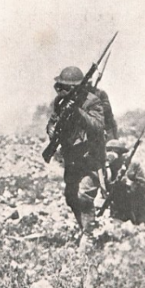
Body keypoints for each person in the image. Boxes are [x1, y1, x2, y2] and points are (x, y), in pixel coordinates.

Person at [47, 66, 106, 237]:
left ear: (74, 88)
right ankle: (85, 229)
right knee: (70, 197)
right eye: (60, 87)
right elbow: (52, 122)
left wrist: (77, 111)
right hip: (71, 157)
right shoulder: (59, 102)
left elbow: (98, 126)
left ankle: (88, 237)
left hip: (90, 159)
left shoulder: (92, 101)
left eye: (65, 87)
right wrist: (52, 131)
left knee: (84, 196)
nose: (61, 91)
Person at [104, 139, 145, 225]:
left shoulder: (133, 165)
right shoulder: (107, 167)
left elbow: (144, 186)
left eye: (114, 151)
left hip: (137, 207)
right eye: (108, 150)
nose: (111, 154)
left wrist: (129, 183)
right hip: (119, 208)